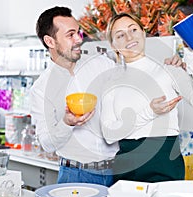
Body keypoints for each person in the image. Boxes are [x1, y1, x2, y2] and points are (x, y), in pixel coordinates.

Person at [30, 7, 184, 186]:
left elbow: (135, 64)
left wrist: (171, 62)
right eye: (70, 35)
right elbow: (47, 144)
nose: (79, 39)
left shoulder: (102, 64)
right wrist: (67, 123)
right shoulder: (41, 89)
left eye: (78, 32)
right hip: (76, 175)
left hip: (120, 171)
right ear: (50, 41)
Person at [101, 12, 193, 183]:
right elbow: (109, 134)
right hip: (126, 165)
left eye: (133, 29)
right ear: (113, 45)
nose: (129, 37)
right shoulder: (111, 83)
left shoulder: (169, 69)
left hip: (164, 161)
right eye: (120, 35)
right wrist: (150, 112)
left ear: (143, 33)